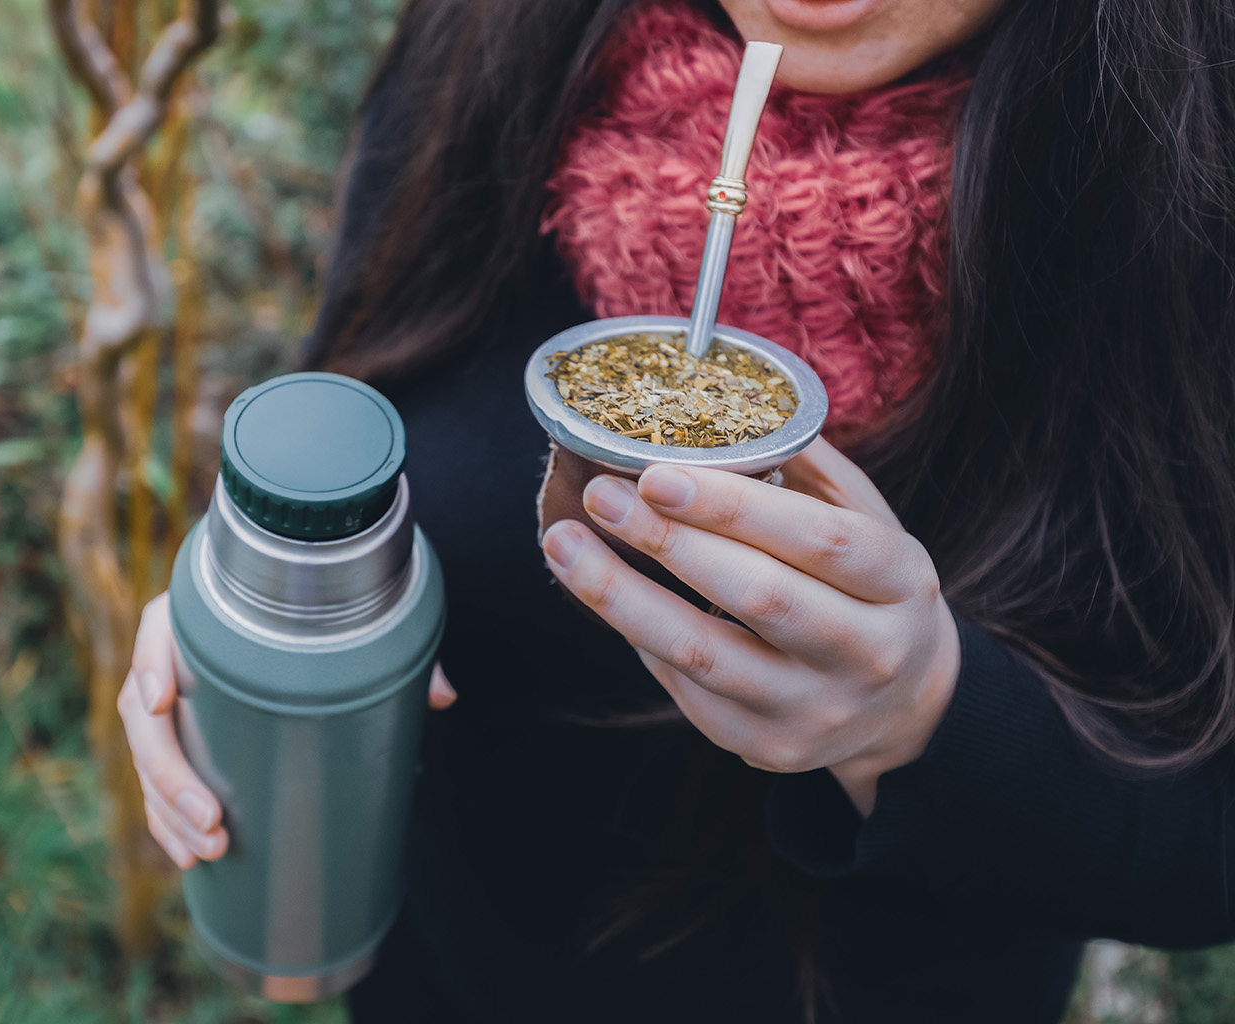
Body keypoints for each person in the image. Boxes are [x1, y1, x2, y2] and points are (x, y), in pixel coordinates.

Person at [117, 0, 1235, 1020]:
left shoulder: (1189, 158)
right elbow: (365, 406)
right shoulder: (505, 34)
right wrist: (263, 590)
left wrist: (927, 719)